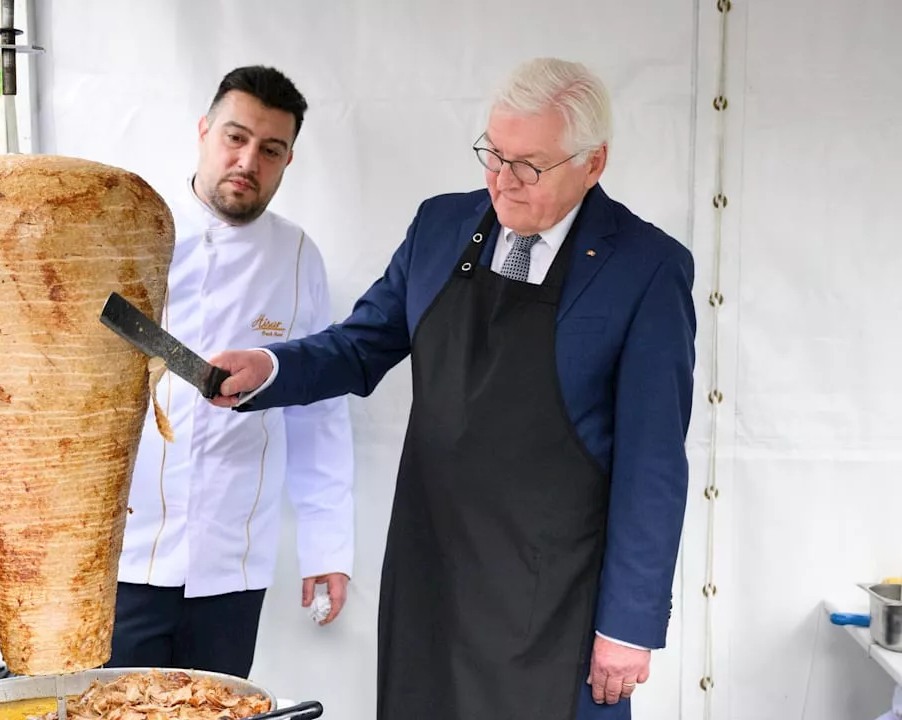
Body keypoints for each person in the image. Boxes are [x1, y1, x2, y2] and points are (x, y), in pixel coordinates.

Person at [208, 58, 696, 719]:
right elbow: (360, 346)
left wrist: (630, 625)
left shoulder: (644, 267)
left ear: (593, 162)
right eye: (492, 155)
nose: (502, 180)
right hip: (431, 572)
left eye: (529, 165)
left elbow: (654, 463)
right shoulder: (442, 226)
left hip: (554, 601)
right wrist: (271, 369)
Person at [108, 65, 356, 679]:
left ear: (288, 159)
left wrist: (328, 549)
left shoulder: (298, 256)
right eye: (235, 138)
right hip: (125, 554)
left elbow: (318, 409)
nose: (248, 160)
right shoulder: (130, 234)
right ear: (203, 131)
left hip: (232, 561)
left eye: (270, 149)